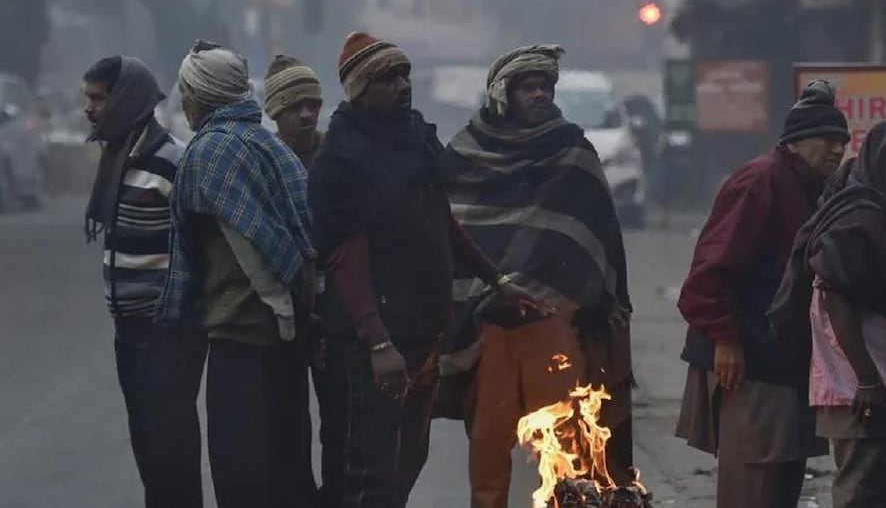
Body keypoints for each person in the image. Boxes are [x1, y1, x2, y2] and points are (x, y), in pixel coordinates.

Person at [309, 32, 544, 508]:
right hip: (375, 344)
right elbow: (344, 255)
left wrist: (497, 279)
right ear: (359, 92)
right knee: (368, 475)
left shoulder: (413, 138)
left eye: (405, 75)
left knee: (407, 464)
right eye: (387, 79)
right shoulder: (343, 157)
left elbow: (440, 221)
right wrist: (378, 342)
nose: (402, 86)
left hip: (422, 335)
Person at [437, 44, 635, 508]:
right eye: (529, 87)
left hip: (553, 320)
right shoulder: (464, 152)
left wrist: (603, 306)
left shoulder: (573, 150)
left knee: (570, 439)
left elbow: (600, 236)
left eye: (546, 85)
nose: (540, 94)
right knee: (489, 443)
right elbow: (445, 232)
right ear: (503, 94)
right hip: (488, 326)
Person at [156, 41, 319, 508]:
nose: (184, 104)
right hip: (286, 340)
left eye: (187, 93)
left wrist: (178, 323)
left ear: (201, 97)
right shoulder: (271, 145)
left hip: (240, 340)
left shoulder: (209, 152)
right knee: (287, 475)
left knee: (241, 479)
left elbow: (200, 246)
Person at [674, 80, 851, 508]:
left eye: (842, 141)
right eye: (827, 139)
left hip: (782, 357)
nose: (837, 149)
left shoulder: (811, 185)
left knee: (782, 480)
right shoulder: (759, 182)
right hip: (747, 359)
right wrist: (725, 339)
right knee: (754, 483)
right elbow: (708, 275)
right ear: (795, 142)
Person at [770, 121, 886, 508]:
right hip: (860, 391)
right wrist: (867, 379)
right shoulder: (860, 221)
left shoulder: (875, 215)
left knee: (877, 492)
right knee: (863, 495)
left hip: (872, 388)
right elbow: (836, 297)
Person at [81, 56, 206, 508]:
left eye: (98, 99)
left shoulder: (172, 160)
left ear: (125, 99)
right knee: (148, 450)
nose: (89, 109)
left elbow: (201, 242)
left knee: (170, 450)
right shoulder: (119, 157)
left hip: (167, 331)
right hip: (130, 329)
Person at [264, 54, 324, 170]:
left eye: (312, 104)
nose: (306, 114)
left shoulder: (339, 152)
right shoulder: (262, 161)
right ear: (275, 113)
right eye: (295, 107)